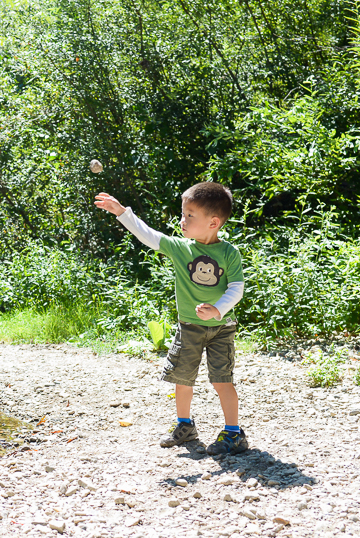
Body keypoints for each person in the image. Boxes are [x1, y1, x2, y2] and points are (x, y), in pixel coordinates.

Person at [94, 182, 248, 455]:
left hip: (221, 328)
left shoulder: (228, 253)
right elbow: (148, 235)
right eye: (183, 213)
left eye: (190, 215)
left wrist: (219, 308)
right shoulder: (181, 248)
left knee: (222, 379)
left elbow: (236, 288)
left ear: (213, 222)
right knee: (182, 377)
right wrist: (122, 213)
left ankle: (233, 433)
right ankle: (185, 426)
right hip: (188, 327)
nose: (182, 220)